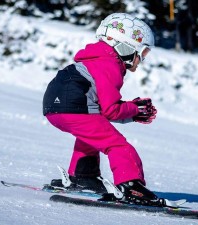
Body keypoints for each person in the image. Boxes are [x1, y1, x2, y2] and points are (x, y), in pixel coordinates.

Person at [43, 13, 159, 205]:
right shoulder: (110, 64)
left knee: (91, 135)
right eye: (143, 53)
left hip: (54, 109)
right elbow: (111, 110)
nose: (141, 60)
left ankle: (84, 176)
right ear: (126, 46)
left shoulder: (93, 60)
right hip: (75, 107)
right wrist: (135, 110)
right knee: (118, 146)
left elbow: (102, 110)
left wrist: (131, 110)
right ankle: (131, 187)